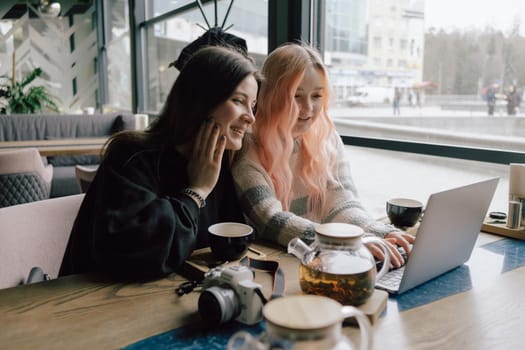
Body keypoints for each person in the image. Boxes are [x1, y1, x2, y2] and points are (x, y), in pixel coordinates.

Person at [59, 46, 259, 280]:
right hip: (96, 305)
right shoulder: (130, 157)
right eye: (238, 100)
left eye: (253, 105)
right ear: (200, 101)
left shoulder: (220, 160)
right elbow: (137, 254)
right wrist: (197, 191)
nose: (250, 117)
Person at [232, 43, 413, 268]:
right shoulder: (247, 145)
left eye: (317, 96)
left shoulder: (326, 136)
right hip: (276, 265)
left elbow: (340, 201)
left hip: (326, 258)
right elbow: (270, 219)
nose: (308, 108)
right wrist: (345, 242)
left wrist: (379, 232)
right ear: (271, 97)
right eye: (296, 97)